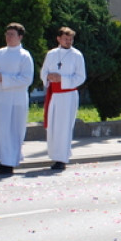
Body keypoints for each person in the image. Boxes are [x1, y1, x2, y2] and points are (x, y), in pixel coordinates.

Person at [0, 23, 35, 175]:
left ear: (20, 37)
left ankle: (10, 162)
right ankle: (2, 159)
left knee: (11, 130)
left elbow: (26, 79)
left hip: (15, 99)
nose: (8, 37)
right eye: (7, 34)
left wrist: (4, 79)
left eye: (12, 34)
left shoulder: (24, 56)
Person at [40, 26, 86, 171]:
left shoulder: (76, 55)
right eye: (66, 39)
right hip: (54, 95)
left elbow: (81, 77)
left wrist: (62, 79)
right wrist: (48, 77)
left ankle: (62, 158)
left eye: (71, 39)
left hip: (68, 95)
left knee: (64, 127)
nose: (68, 41)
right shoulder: (52, 54)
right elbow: (44, 71)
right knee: (53, 127)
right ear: (59, 39)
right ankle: (55, 155)